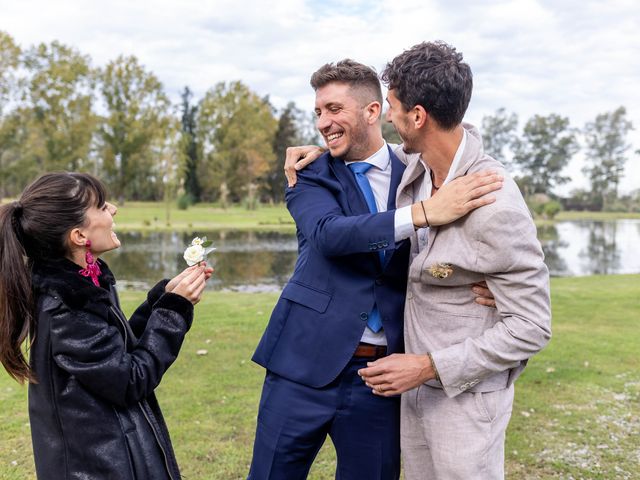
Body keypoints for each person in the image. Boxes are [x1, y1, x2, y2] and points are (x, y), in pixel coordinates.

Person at [248, 60, 503, 480]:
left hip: (383, 376)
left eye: (334, 109)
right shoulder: (308, 174)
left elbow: (471, 238)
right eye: (318, 112)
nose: (323, 123)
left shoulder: (420, 174)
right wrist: (423, 214)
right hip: (302, 365)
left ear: (372, 111)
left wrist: (494, 284)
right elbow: (330, 235)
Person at [355, 41, 552, 479]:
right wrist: (311, 159)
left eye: (393, 106)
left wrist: (427, 366)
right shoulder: (415, 165)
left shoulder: (496, 204)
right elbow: (366, 154)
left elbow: (533, 325)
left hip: (467, 402)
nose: (389, 116)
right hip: (417, 395)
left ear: (418, 116)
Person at [0, 172, 212, 480]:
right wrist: (173, 312)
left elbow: (114, 351)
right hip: (98, 468)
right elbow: (128, 380)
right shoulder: (66, 305)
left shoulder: (83, 280)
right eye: (100, 206)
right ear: (79, 236)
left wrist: (161, 301)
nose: (112, 209)